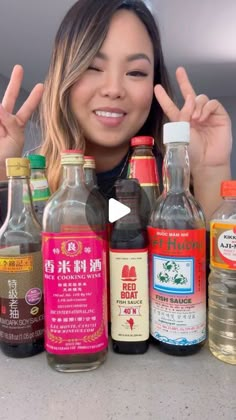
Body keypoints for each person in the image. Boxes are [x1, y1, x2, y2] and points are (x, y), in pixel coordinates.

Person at [0, 0, 232, 223]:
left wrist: (210, 170)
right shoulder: (30, 184)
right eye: (93, 67)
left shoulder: (176, 189)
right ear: (64, 77)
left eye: (136, 72)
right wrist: (2, 170)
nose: (113, 90)